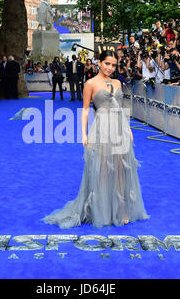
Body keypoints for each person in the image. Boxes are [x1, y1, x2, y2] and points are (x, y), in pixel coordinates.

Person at [42, 50, 149, 229]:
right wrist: (83, 133)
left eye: (113, 65)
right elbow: (85, 109)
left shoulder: (117, 83)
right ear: (99, 62)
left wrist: (128, 128)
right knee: (102, 169)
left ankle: (121, 209)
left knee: (122, 168)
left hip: (119, 128)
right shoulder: (90, 83)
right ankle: (102, 209)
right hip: (101, 129)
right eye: (107, 63)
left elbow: (122, 108)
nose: (110, 68)